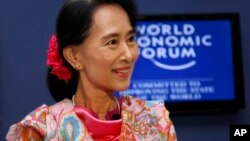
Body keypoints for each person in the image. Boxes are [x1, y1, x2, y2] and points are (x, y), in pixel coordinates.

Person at [6, 0, 177, 140]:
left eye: (130, 39)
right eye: (112, 42)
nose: (128, 55)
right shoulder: (41, 130)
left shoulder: (155, 121)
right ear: (74, 56)